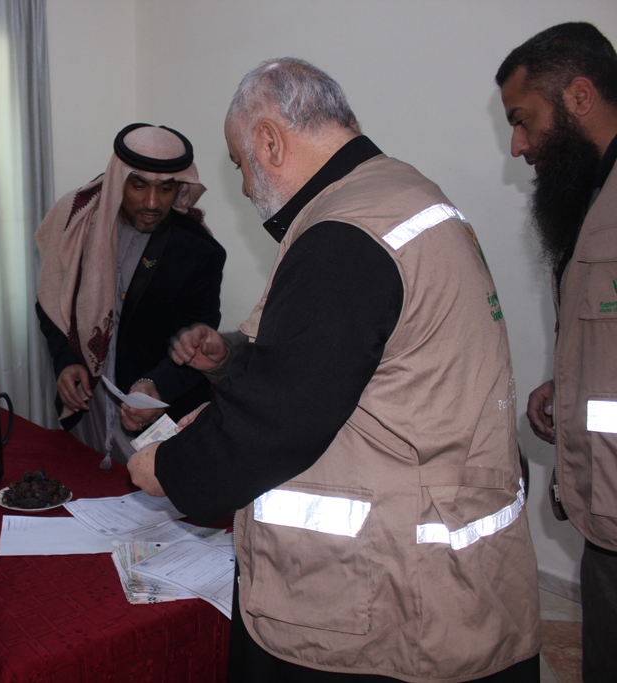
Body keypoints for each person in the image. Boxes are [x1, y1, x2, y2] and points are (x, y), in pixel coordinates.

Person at [129, 59, 541, 681]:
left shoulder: (344, 233)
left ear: (270, 141)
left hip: (385, 598)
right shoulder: (400, 194)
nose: (245, 187)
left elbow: (277, 421)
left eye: (240, 164)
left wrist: (167, 468)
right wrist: (234, 365)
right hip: (453, 572)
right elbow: (347, 366)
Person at [496, 22, 617, 682]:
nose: (517, 145)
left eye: (523, 120)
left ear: (579, 97)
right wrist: (563, 385)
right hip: (605, 504)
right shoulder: (591, 197)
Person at [34, 123, 226, 466]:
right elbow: (50, 301)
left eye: (165, 189)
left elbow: (198, 348)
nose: (152, 202)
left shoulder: (198, 251)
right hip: (88, 412)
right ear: (117, 180)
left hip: (152, 418)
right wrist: (65, 360)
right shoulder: (77, 226)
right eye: (139, 186)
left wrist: (154, 386)